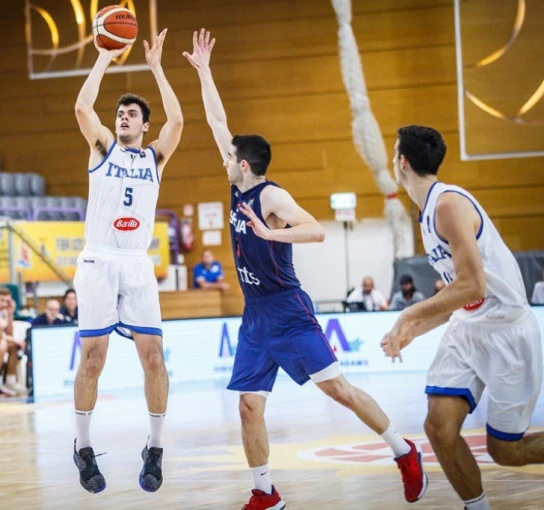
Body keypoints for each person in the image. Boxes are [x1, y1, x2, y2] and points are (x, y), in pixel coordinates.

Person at [185, 29, 425, 509]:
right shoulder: (237, 185)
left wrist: (271, 233)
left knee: (338, 390)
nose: (223, 159)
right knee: (248, 404)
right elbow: (216, 120)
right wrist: (205, 72)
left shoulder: (271, 196)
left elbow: (315, 230)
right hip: (255, 315)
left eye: (230, 157)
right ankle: (265, 492)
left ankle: (404, 450)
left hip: (287, 309)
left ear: (245, 164)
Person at [381, 125, 544, 510]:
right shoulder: (426, 213)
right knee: (438, 428)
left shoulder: (448, 204)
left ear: (402, 162)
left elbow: (473, 286)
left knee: (506, 451)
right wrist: (414, 330)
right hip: (467, 330)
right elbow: (460, 297)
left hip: (507, 332)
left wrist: (409, 313)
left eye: (393, 152)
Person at [72, 28, 183, 494]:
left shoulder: (155, 157)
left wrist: (156, 68)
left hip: (136, 262)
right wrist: (103, 56)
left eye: (132, 113)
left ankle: (154, 447)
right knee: (93, 359)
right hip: (99, 259)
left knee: (153, 357)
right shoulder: (102, 147)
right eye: (120, 112)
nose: (123, 116)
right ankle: (82, 446)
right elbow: (83, 109)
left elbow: (177, 121)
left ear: (144, 125)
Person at [0, 287, 25, 395]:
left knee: (13, 347)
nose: (4, 304)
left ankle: (10, 381)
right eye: (2, 300)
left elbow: (9, 334)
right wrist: (18, 341)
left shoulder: (3, 313)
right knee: (4, 345)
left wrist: (10, 313)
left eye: (7, 301)